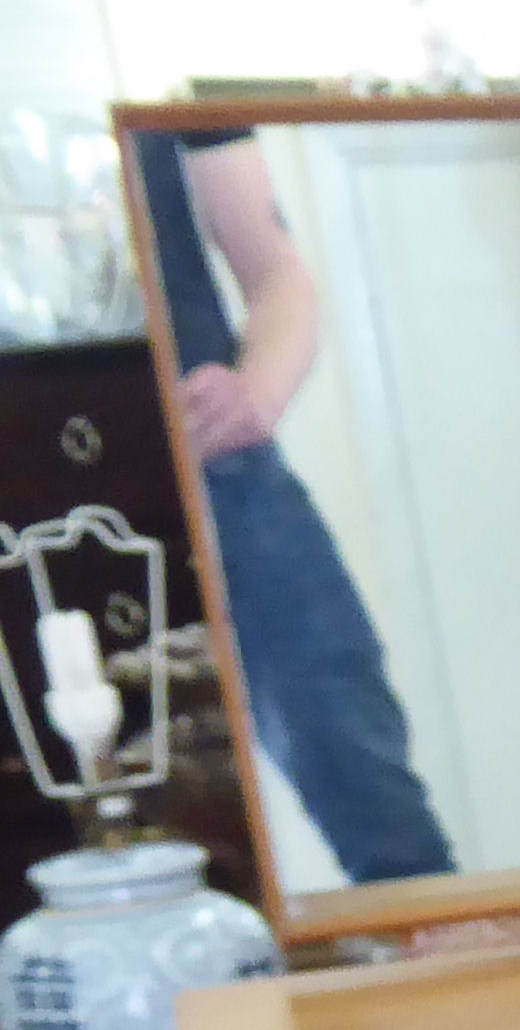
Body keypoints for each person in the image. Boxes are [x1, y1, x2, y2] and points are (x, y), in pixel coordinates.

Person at [133, 129, 455, 884]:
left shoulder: (162, 69)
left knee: (367, 790)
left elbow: (276, 273)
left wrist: (255, 397)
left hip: (220, 471)